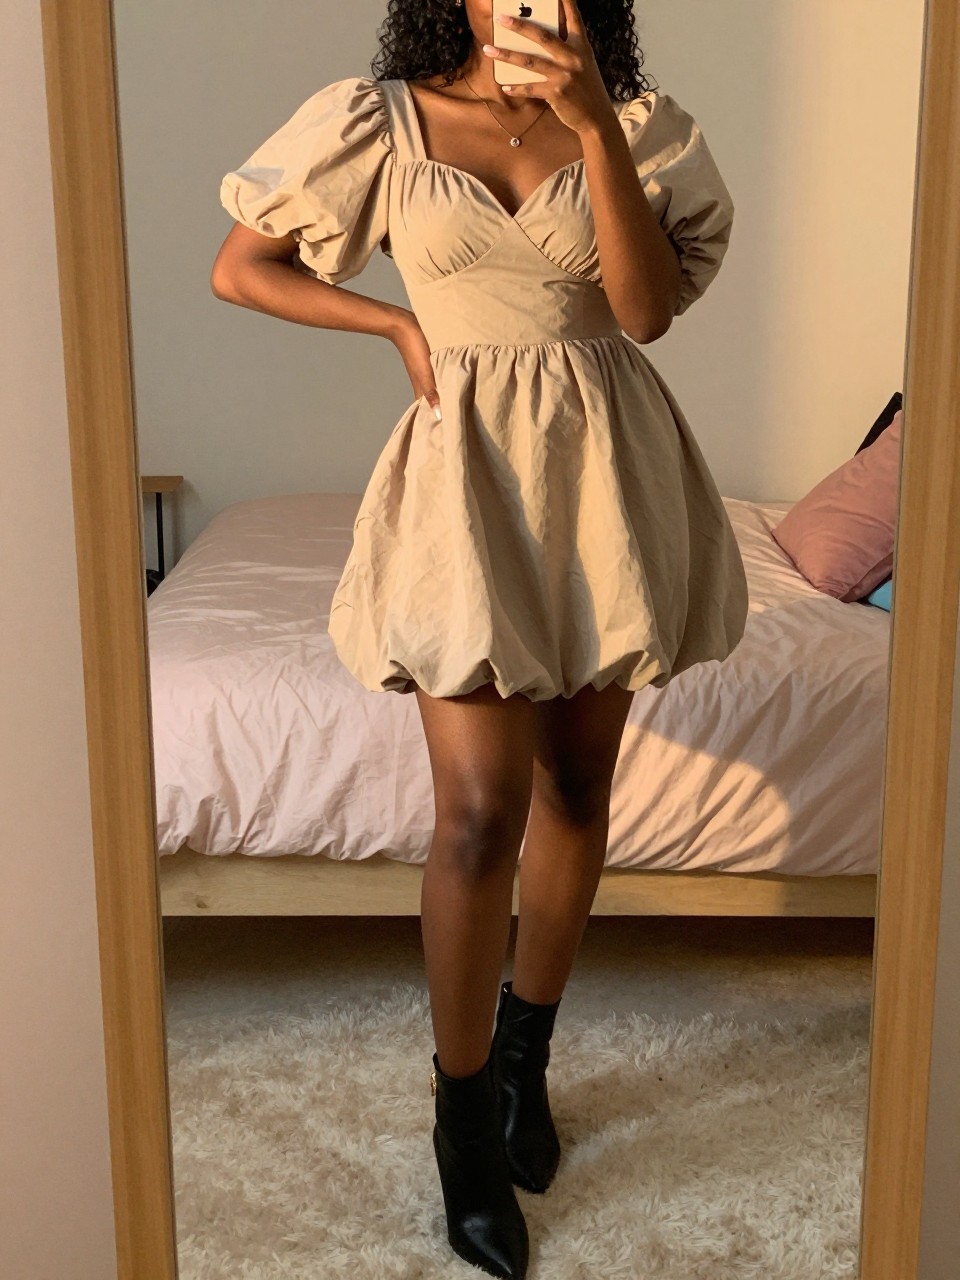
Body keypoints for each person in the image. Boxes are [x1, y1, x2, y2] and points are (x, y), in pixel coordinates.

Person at [213, 1, 749, 1275]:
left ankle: (524, 1057)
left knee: (577, 784)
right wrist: (398, 326)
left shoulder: (638, 128)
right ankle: (461, 1119)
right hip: (467, 478)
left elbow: (644, 312)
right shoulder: (380, 122)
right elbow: (243, 266)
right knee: (474, 814)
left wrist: (591, 128)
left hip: (605, 473)